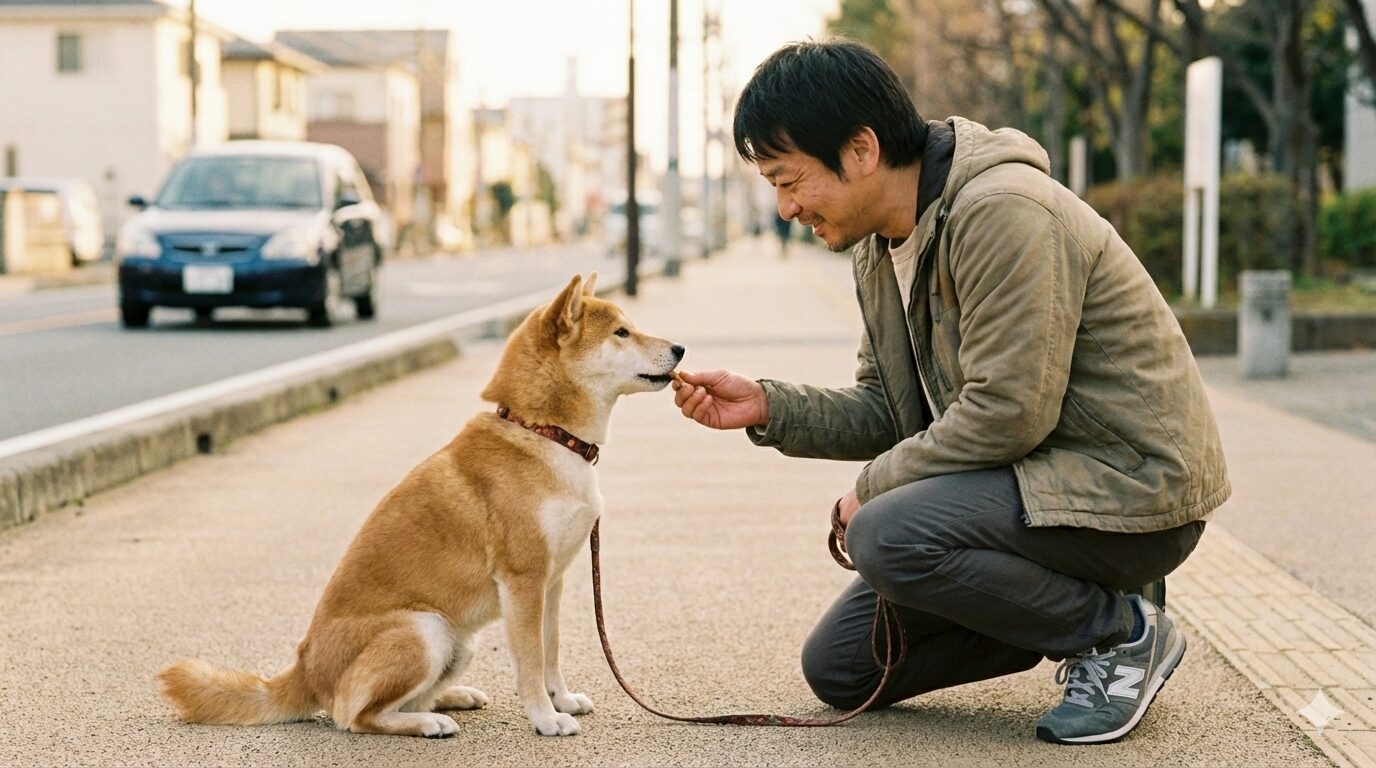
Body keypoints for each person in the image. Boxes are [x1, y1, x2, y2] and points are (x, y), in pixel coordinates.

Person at [670, 39, 1229, 745]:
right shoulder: (877, 245)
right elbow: (889, 410)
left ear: (862, 150)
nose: (785, 208)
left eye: (790, 180)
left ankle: (1119, 635)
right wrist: (770, 405)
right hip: (1029, 493)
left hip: (1128, 492)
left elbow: (1008, 412)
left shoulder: (1003, 211)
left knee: (885, 533)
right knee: (842, 670)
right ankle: (1073, 608)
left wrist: (870, 488)